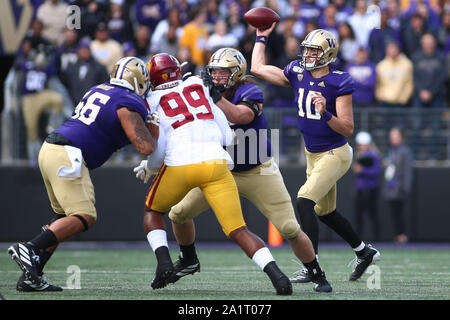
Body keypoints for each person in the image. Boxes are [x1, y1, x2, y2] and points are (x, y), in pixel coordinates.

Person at [152, 47, 332, 292]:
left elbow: (242, 115)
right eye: (214, 71)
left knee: (289, 227)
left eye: (223, 72)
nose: (216, 77)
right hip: (219, 171)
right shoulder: (201, 91)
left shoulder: (249, 90)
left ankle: (316, 273)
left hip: (258, 169)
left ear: (237, 73)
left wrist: (213, 96)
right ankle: (189, 259)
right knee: (178, 213)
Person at [134, 53, 292, 295]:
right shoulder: (198, 85)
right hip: (217, 163)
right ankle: (278, 277)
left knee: (153, 211)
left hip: (181, 164)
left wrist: (150, 166)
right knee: (238, 229)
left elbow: (159, 146)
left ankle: (164, 263)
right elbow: (228, 136)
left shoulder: (150, 101)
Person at [8, 57, 155, 292]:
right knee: (84, 215)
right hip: (68, 154)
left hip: (51, 150)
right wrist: (152, 123)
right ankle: (31, 248)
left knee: (61, 219)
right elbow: (145, 147)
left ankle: (31, 276)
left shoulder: (99, 88)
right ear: (137, 81)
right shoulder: (128, 101)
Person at [250, 25, 380, 282]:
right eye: (307, 50)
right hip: (313, 154)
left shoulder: (337, 81)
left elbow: (348, 128)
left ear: (328, 54)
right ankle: (364, 251)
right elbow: (257, 68)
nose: (307, 55)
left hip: (335, 152)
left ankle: (312, 266)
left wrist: (326, 113)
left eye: (313, 51)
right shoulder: (297, 72)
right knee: (325, 212)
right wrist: (261, 37)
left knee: (304, 200)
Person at [384, 127, 414, 243]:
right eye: (391, 136)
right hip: (392, 188)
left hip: (399, 189)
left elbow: (406, 171)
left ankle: (402, 235)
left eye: (395, 136)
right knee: (395, 214)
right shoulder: (393, 151)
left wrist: (405, 188)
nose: (393, 138)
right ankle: (398, 235)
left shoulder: (404, 151)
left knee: (400, 213)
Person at [353, 131, 382, 241]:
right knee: (359, 215)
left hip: (370, 189)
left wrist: (362, 170)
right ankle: (359, 238)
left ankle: (376, 237)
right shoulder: (362, 154)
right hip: (362, 189)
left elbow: (376, 171)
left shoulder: (372, 155)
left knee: (372, 213)